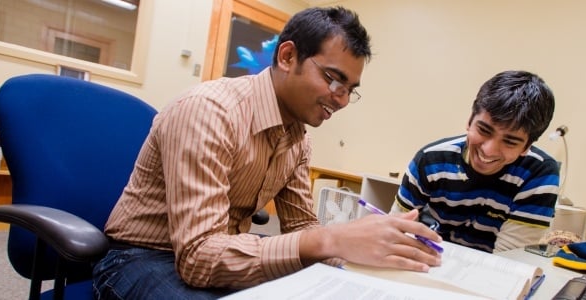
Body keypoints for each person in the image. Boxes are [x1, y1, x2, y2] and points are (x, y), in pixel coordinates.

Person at [92, 6, 442, 299]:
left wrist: (359, 258)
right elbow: (198, 259)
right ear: (288, 56)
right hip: (142, 258)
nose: (342, 99)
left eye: (351, 90)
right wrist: (331, 239)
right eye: (335, 80)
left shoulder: (297, 138)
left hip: (220, 251)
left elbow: (302, 226)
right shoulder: (209, 112)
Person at [390, 70, 559, 254]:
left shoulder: (539, 174)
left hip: (495, 271)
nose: (488, 150)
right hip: (435, 258)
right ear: (470, 120)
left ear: (527, 146)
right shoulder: (430, 161)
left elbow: (511, 258)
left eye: (510, 142)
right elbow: (396, 231)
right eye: (484, 130)